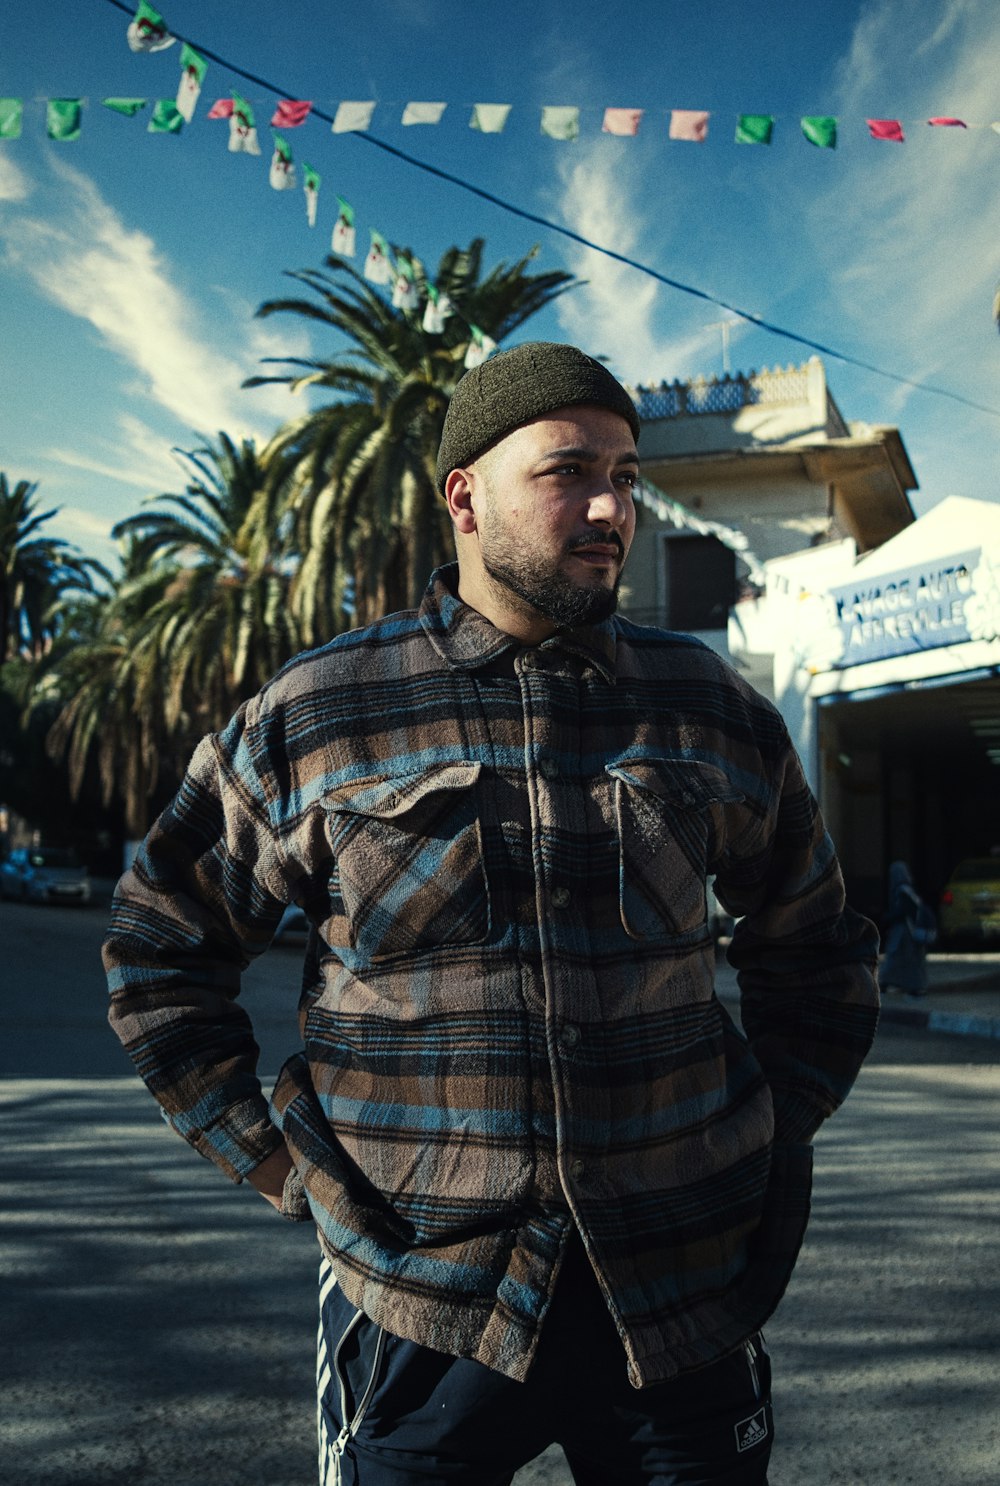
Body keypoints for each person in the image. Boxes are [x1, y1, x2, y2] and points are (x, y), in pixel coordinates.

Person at [104, 342, 880, 1485]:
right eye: (569, 470)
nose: (613, 505)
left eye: (624, 472)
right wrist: (277, 1169)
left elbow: (815, 946)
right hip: (421, 1306)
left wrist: (768, 1127)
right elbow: (159, 947)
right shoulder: (318, 712)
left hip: (677, 1297)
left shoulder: (708, 705)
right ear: (463, 496)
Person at [879, 859, 934, 997]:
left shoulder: (902, 891)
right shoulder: (907, 890)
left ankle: (888, 984)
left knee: (897, 958)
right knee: (907, 960)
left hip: (905, 933)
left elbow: (903, 912)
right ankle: (911, 987)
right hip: (906, 932)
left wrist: (887, 918)